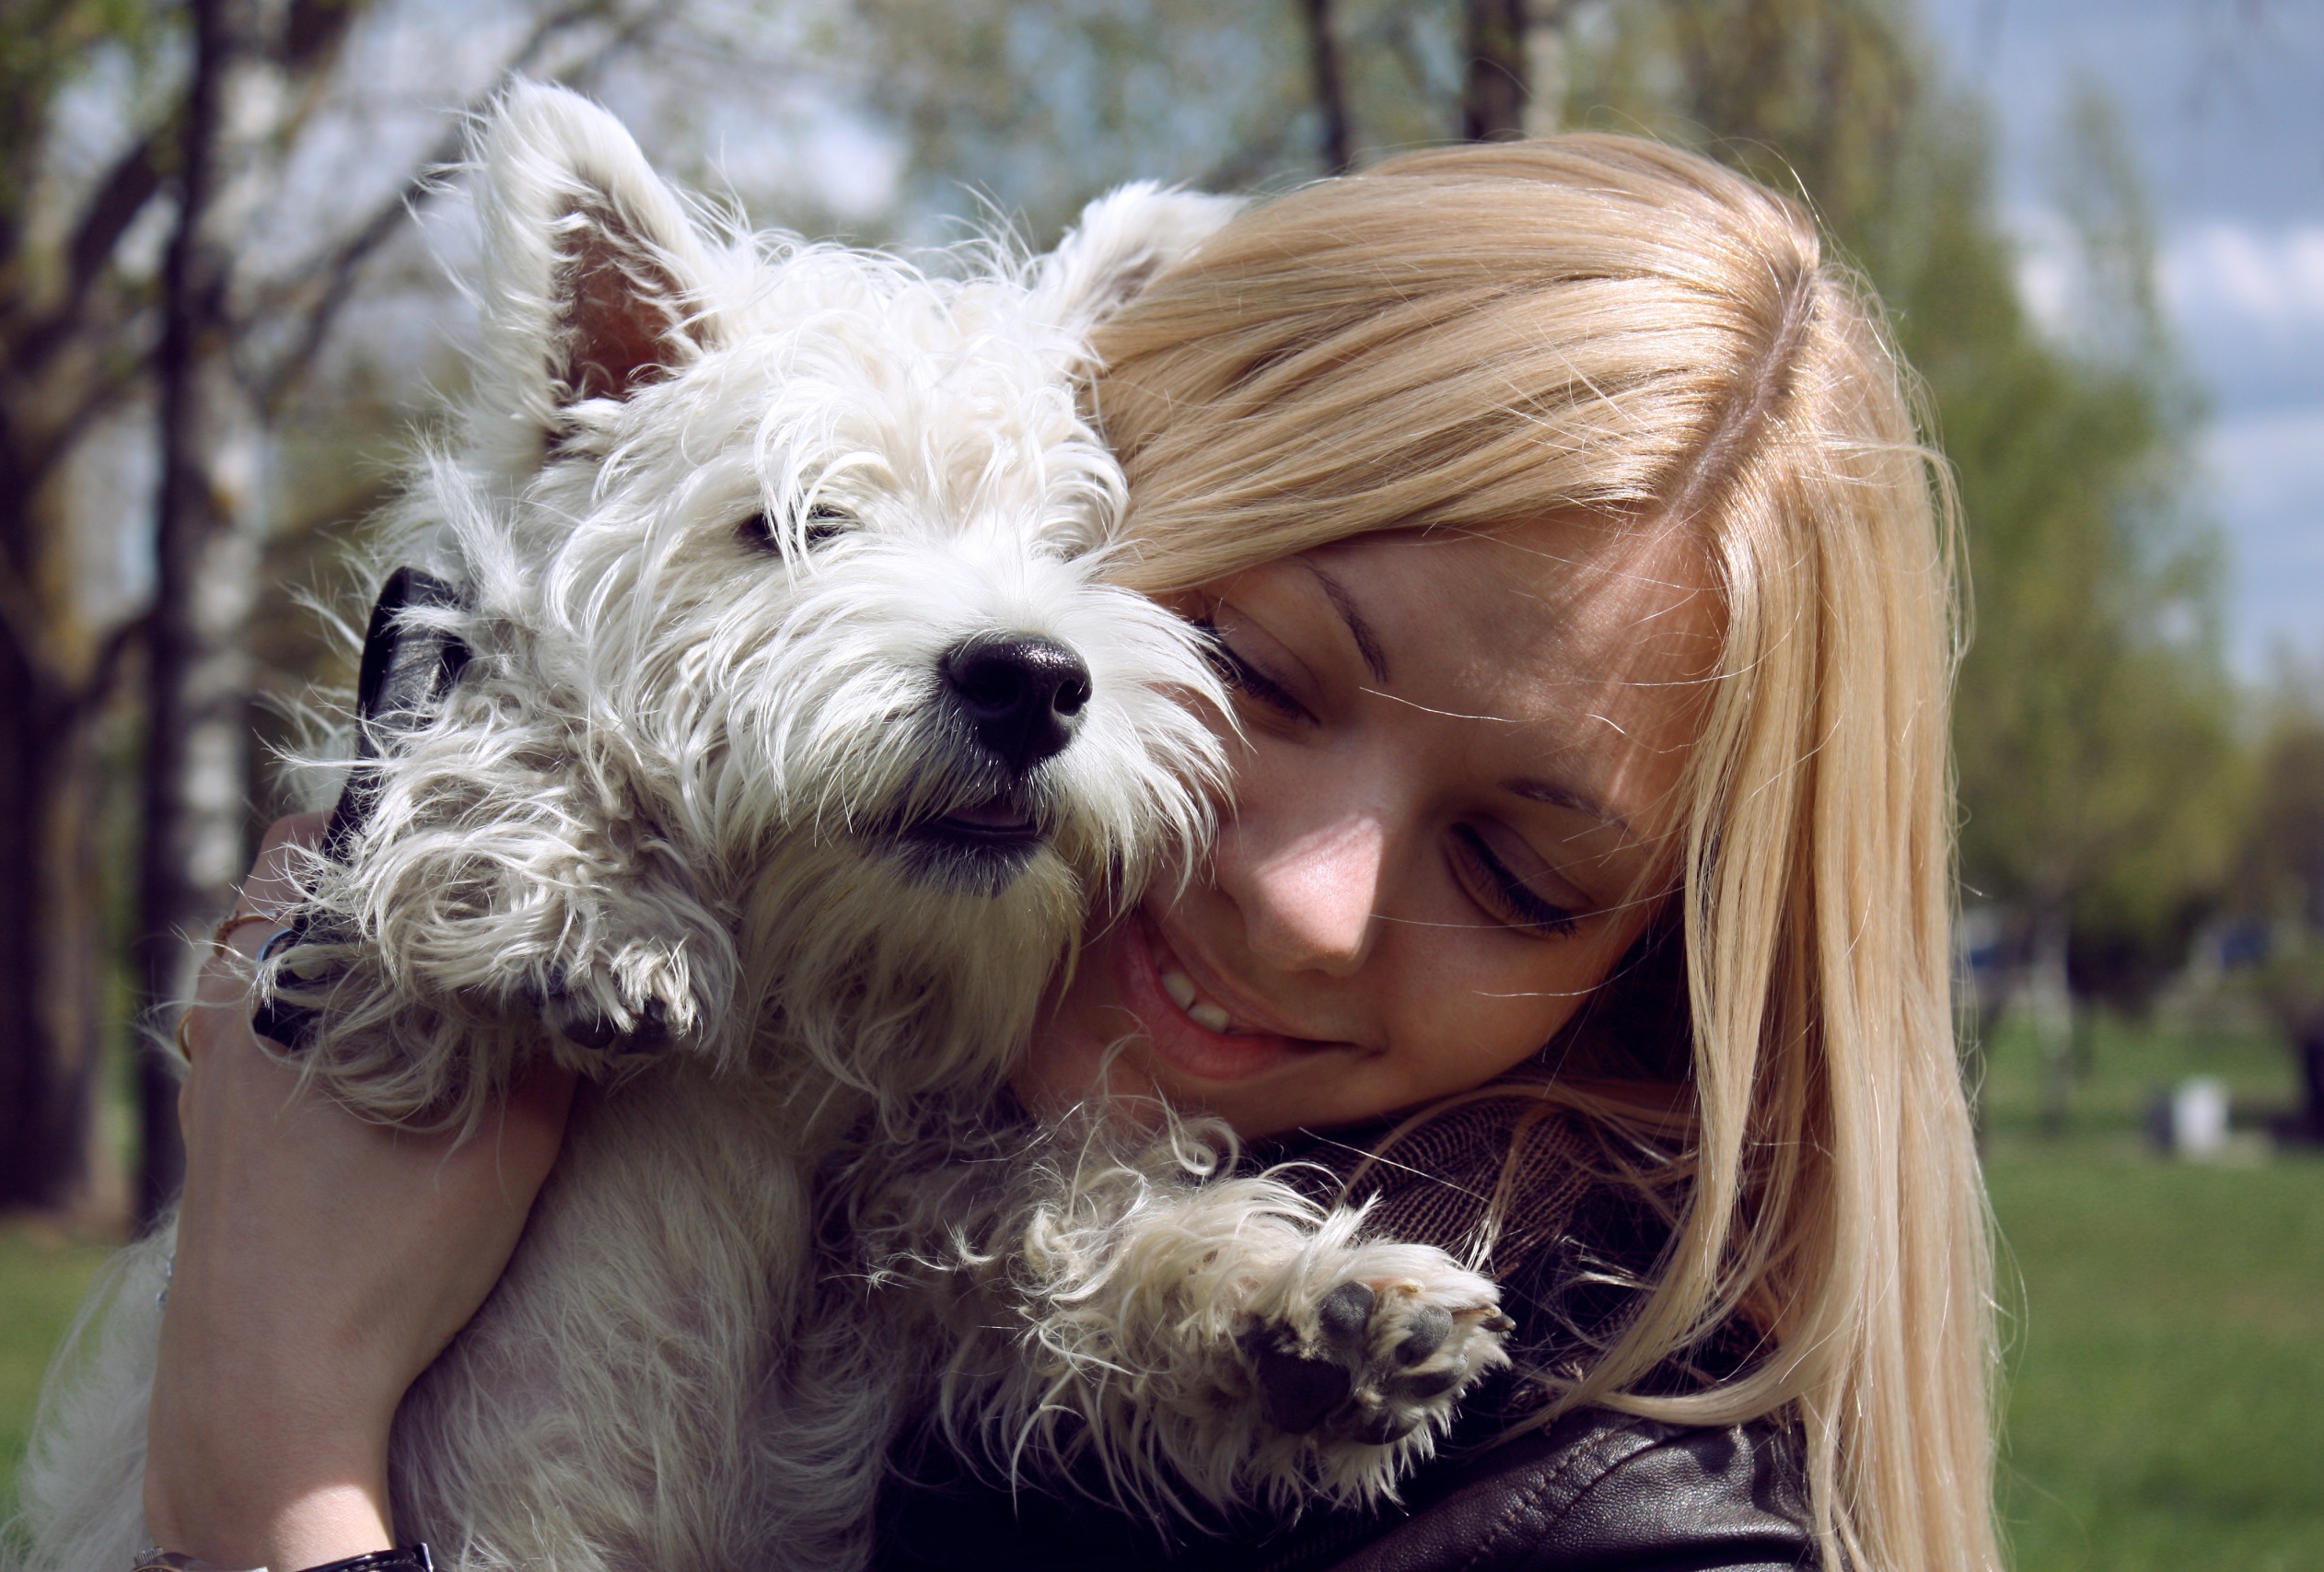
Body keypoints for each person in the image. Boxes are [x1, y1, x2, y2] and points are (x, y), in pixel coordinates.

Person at [144, 134, 1997, 1572]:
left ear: (1667, 961)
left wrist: (272, 1459)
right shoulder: (911, 1035)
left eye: (1515, 873)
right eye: (1253, 673)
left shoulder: (1620, 1531)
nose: (1303, 908)